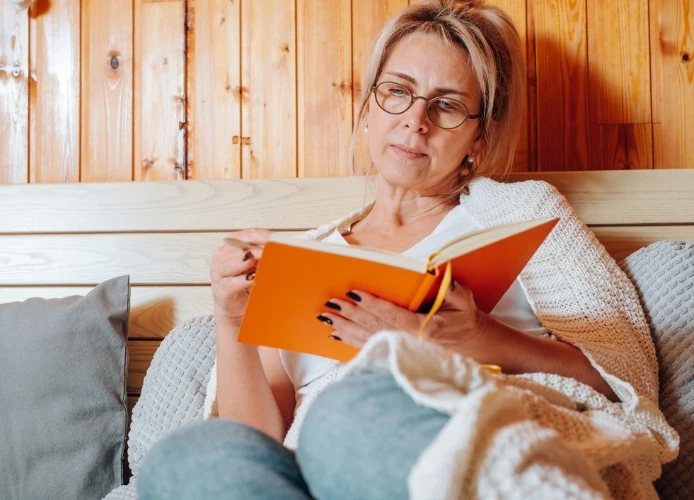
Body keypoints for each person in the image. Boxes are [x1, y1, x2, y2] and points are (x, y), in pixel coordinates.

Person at [138, 1, 678, 498]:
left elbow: (621, 379)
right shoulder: (305, 258)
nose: (414, 121)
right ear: (369, 107)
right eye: (397, 91)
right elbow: (255, 444)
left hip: (447, 430)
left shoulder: (527, 214)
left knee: (345, 413)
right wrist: (232, 322)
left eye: (446, 106)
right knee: (185, 459)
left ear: (479, 140)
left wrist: (475, 338)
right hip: (317, 473)